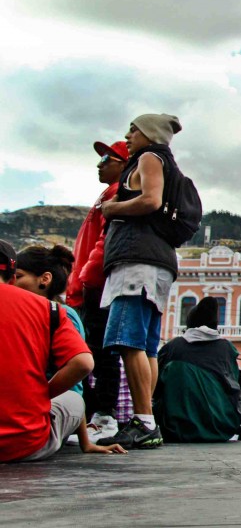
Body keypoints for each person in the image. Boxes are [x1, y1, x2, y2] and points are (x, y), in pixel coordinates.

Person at [98, 113, 186, 450]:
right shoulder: (166, 162)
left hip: (137, 263)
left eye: (133, 128)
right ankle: (145, 418)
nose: (128, 134)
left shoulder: (149, 157)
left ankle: (144, 421)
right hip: (157, 262)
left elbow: (151, 199)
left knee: (128, 340)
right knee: (146, 345)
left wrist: (112, 208)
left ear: (149, 133)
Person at [0, 240, 126, 462]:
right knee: (73, 400)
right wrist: (42, 394)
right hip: (24, 443)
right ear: (11, 277)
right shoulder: (51, 311)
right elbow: (83, 364)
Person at [66, 139, 132, 444]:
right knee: (92, 352)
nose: (99, 163)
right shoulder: (105, 194)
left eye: (107, 158)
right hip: (86, 286)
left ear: (122, 163)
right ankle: (95, 417)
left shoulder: (115, 193)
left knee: (101, 354)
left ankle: (103, 416)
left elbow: (105, 241)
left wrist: (86, 279)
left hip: (93, 287)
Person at [153, 296, 241, 442]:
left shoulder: (172, 347)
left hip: (177, 429)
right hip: (221, 428)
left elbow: (155, 387)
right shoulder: (227, 348)